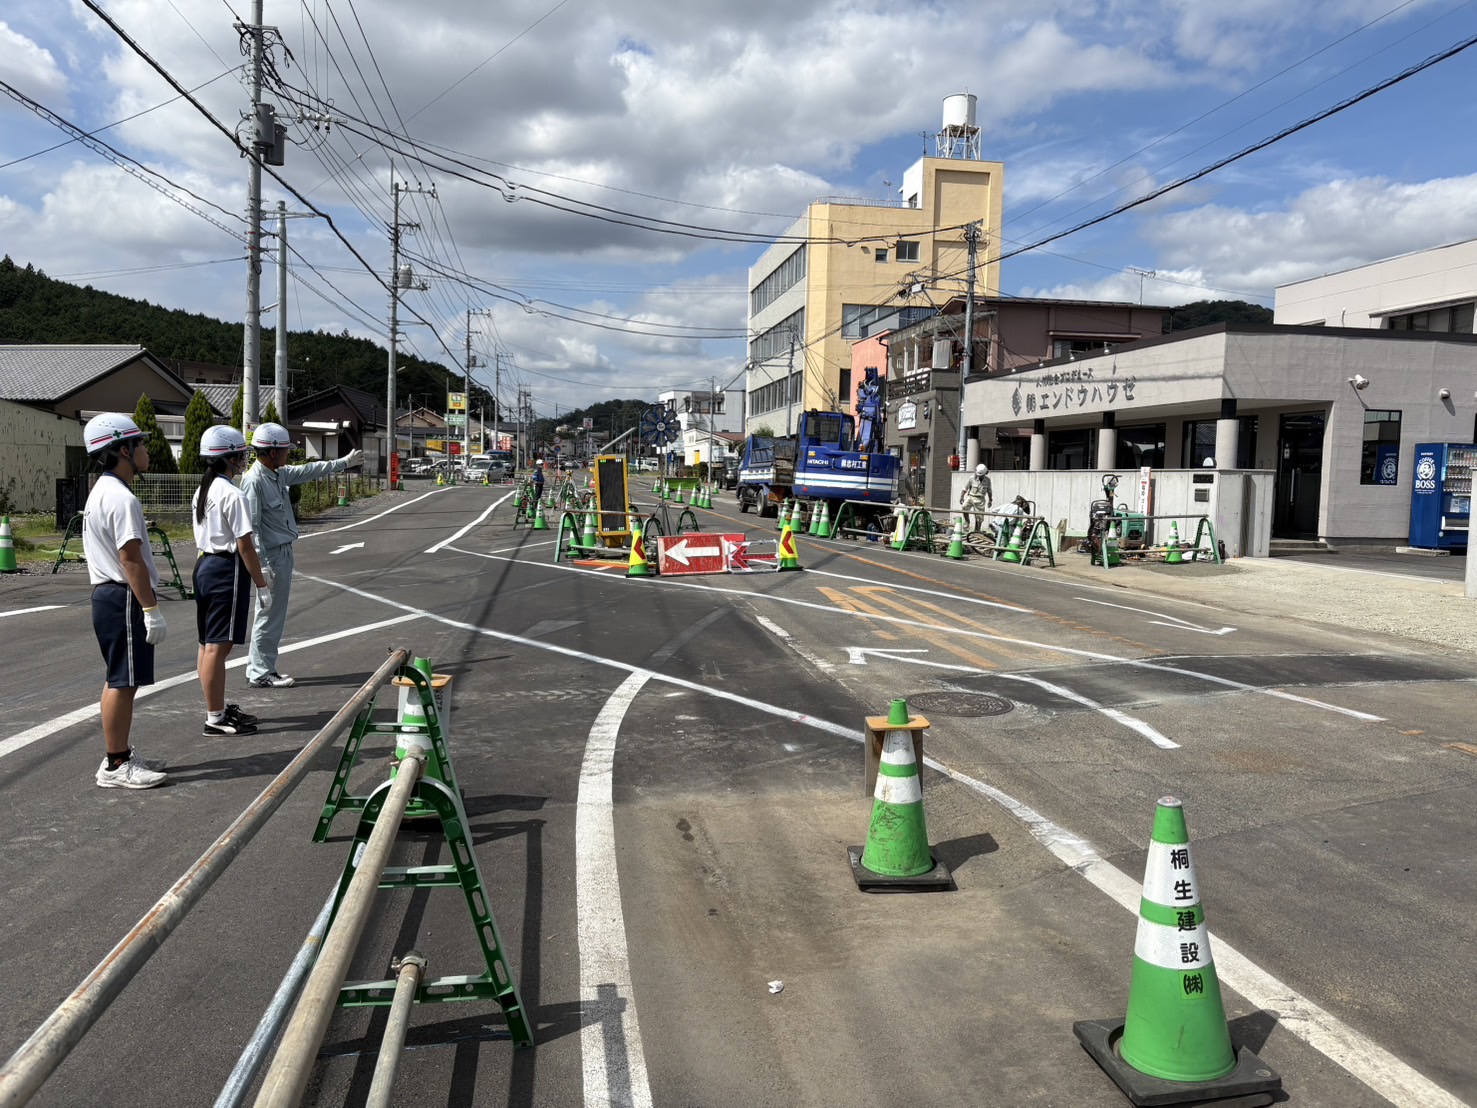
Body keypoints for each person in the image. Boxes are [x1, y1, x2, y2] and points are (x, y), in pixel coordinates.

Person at [81, 413, 168, 789]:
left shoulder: (103, 490)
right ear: (122, 450)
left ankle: (118, 755)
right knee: (123, 682)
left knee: (119, 679)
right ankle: (117, 764)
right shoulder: (121, 498)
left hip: (108, 595)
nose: (146, 449)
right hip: (123, 596)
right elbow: (130, 560)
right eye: (140, 443)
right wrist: (151, 609)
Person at [240, 423, 362, 689]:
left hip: (282, 552)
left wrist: (342, 462)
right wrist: (260, 568)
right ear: (272, 452)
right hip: (270, 557)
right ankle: (260, 671)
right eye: (284, 450)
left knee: (274, 614)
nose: (288, 454)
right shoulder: (254, 481)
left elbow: (308, 471)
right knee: (268, 614)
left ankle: (262, 668)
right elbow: (252, 529)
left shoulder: (276, 474)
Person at [193, 426, 273, 735]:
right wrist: (262, 584)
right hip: (227, 569)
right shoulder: (233, 493)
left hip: (204, 564)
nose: (243, 461)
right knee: (218, 647)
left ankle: (217, 707)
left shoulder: (204, 489)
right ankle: (215, 716)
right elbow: (244, 544)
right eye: (240, 456)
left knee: (206, 645)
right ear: (229, 458)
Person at [959, 462, 993, 532]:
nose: (979, 476)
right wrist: (962, 497)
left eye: (981, 475)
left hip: (980, 499)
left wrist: (990, 500)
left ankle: (977, 530)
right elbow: (965, 488)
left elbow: (989, 491)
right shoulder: (971, 478)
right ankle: (967, 522)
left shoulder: (988, 480)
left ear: (985, 473)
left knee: (979, 517)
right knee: (964, 507)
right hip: (971, 496)